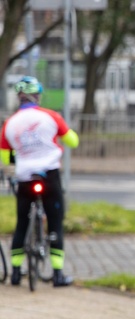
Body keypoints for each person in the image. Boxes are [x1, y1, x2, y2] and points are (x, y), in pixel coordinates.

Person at [0, 76, 79, 287]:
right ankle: (58, 274)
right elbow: (73, 140)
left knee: (21, 223)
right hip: (49, 175)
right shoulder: (51, 116)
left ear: (19, 98)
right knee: (55, 222)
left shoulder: (10, 123)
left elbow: (5, 156)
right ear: (37, 96)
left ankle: (15, 273)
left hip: (25, 177)